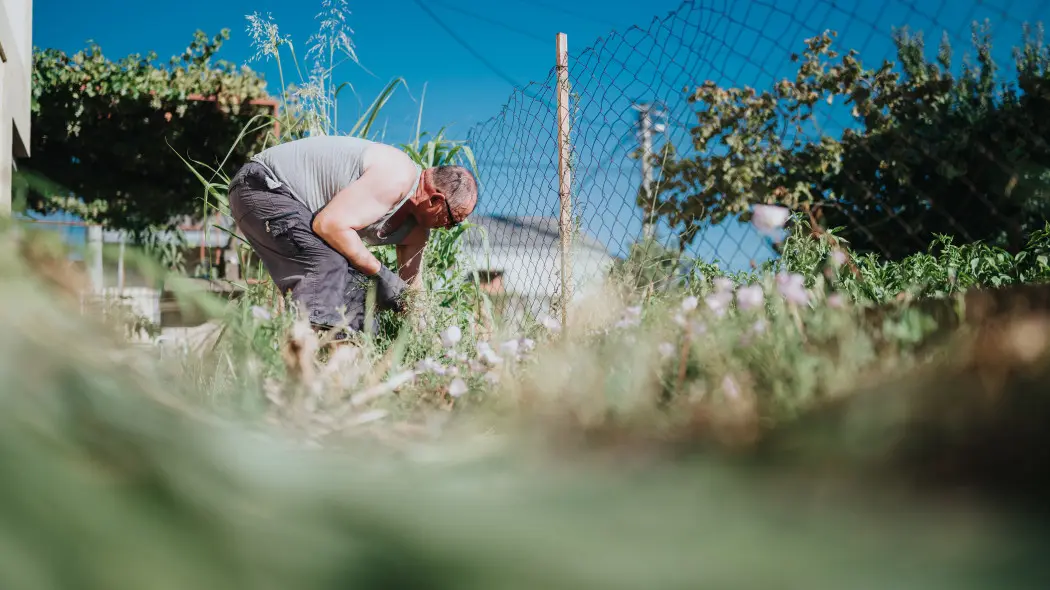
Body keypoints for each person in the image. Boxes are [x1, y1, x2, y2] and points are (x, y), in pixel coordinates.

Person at [227, 135, 479, 337]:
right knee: (330, 265)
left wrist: (426, 331)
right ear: (435, 200)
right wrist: (380, 273)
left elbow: (411, 287)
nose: (449, 228)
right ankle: (305, 359)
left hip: (285, 203)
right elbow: (329, 225)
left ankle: (343, 361)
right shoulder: (397, 177)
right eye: (453, 220)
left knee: (357, 289)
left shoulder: (417, 231)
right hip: (261, 186)